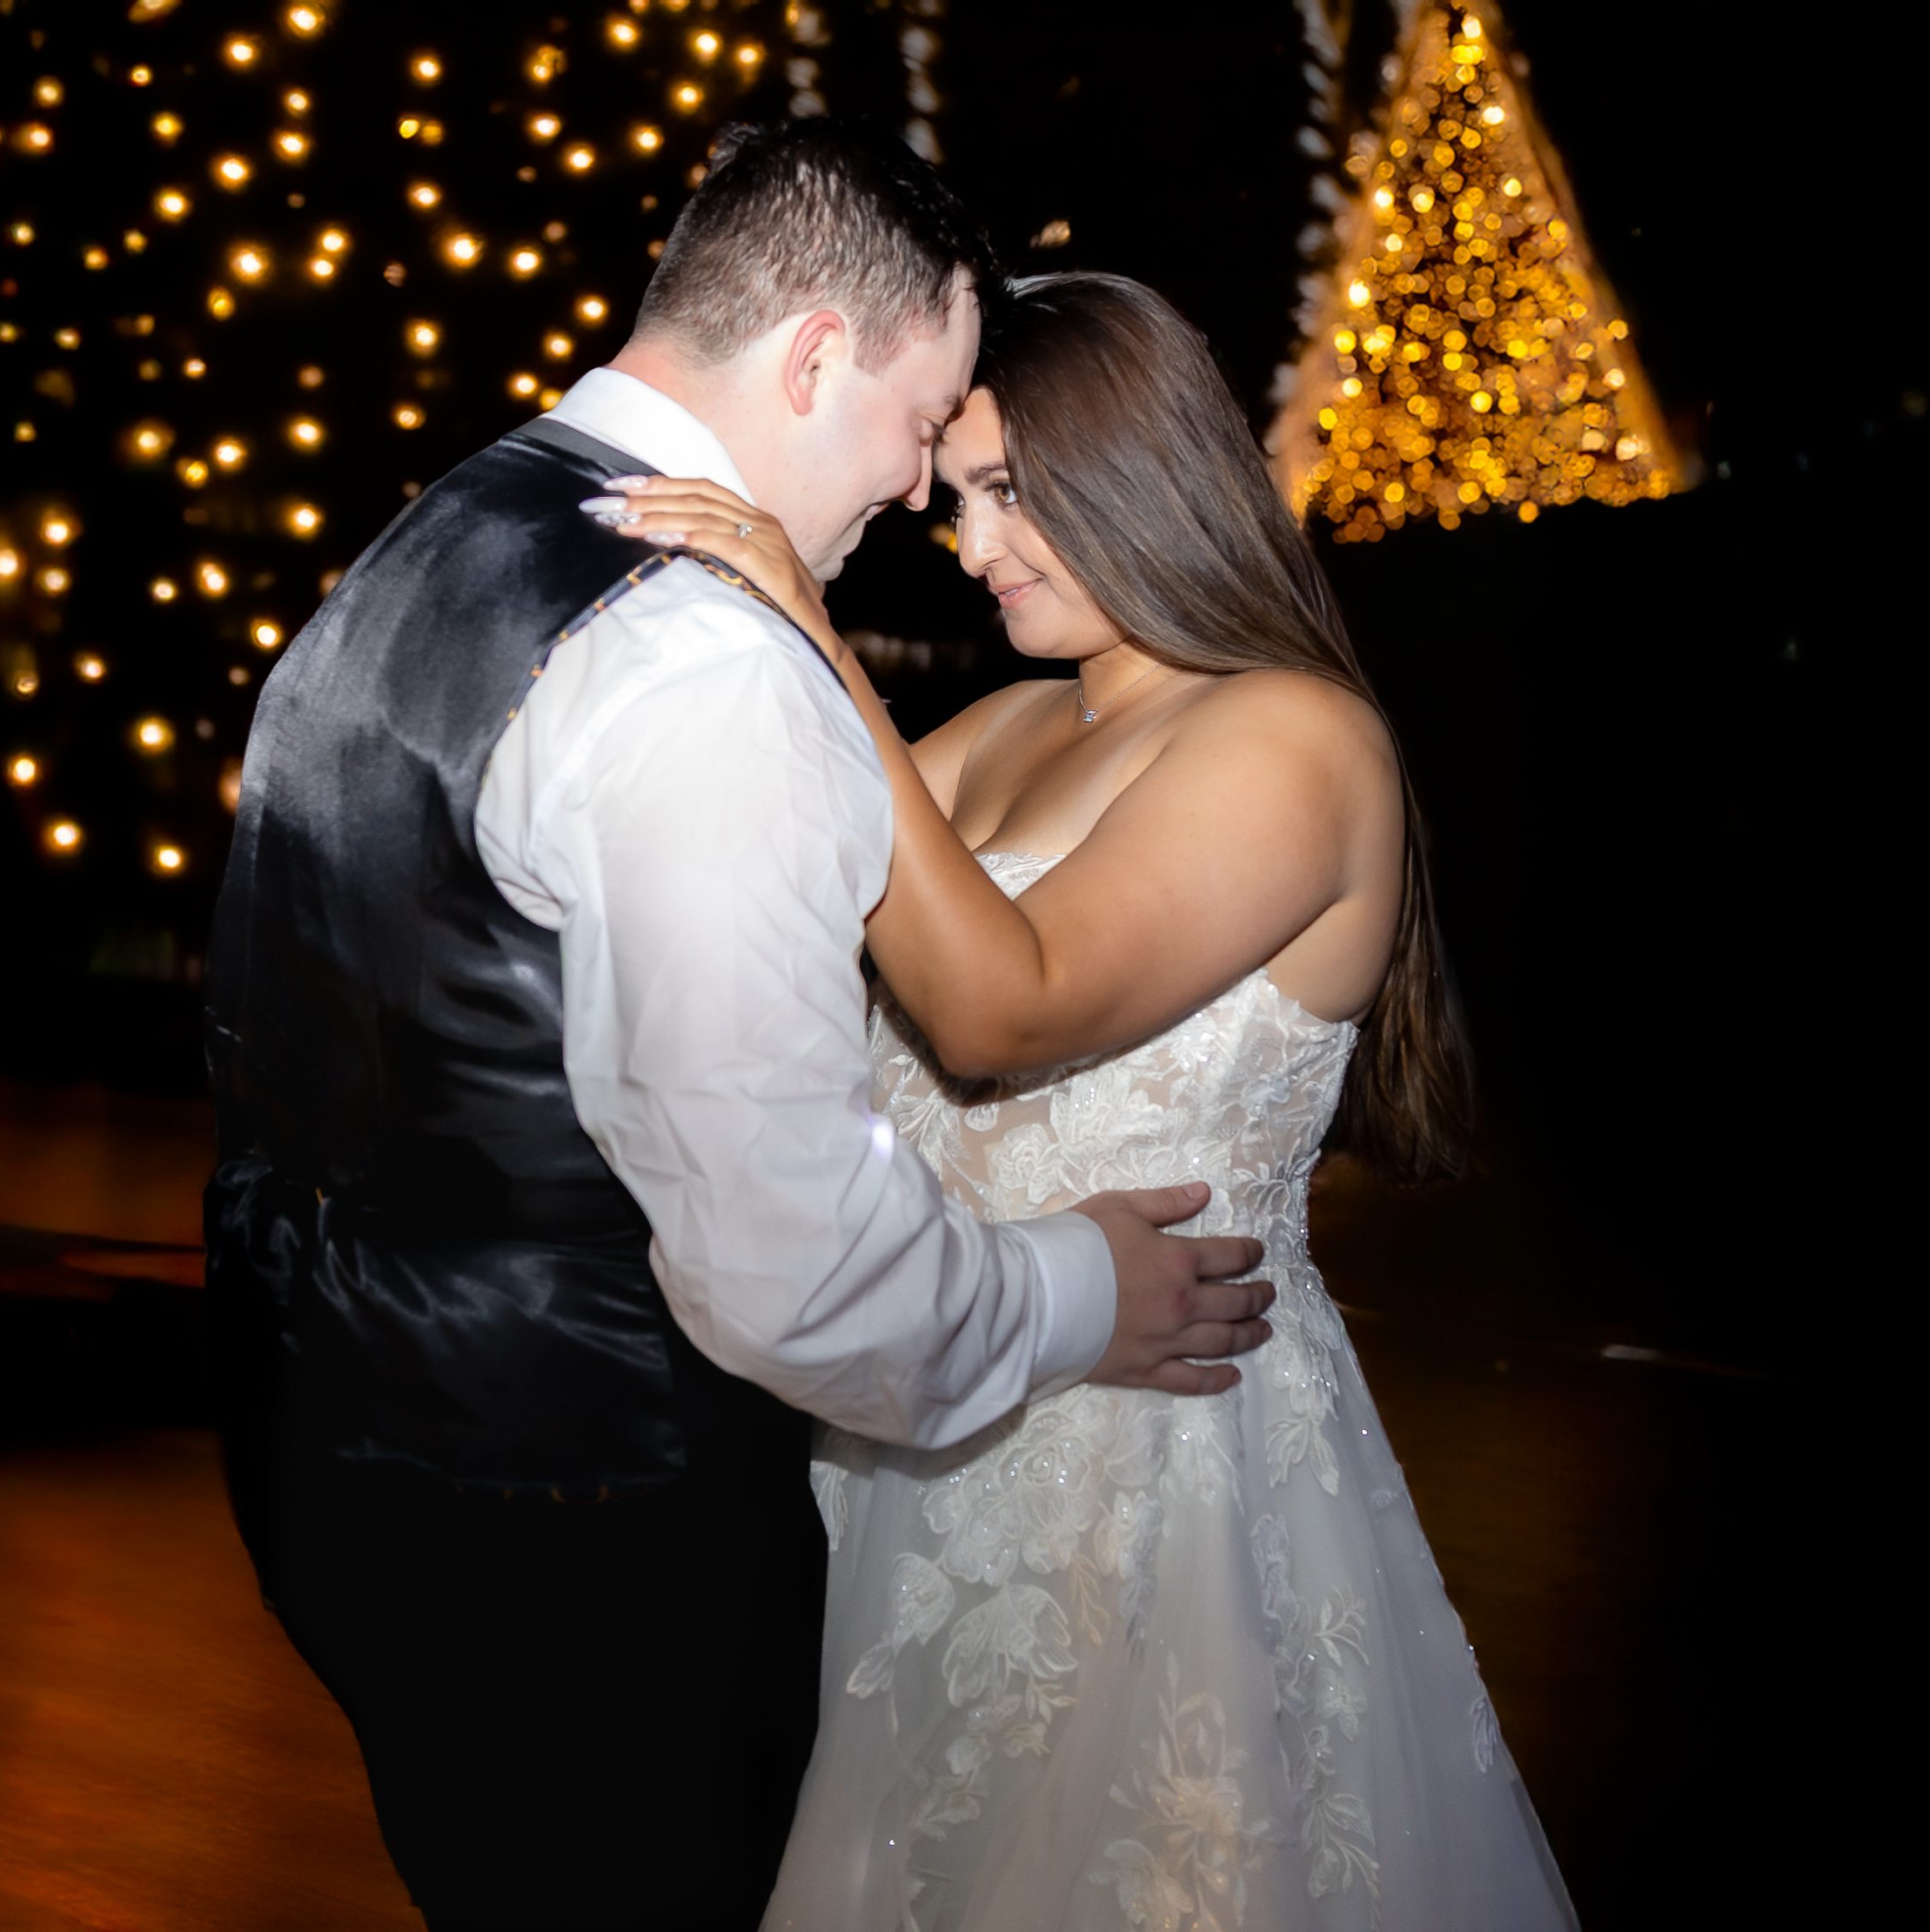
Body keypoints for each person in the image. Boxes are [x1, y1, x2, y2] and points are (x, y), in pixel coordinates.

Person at [202, 131, 1277, 1932]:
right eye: (925, 416)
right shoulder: (701, 663)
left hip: (328, 1441)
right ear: (811, 362)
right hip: (581, 1520)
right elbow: (783, 1267)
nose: (924, 488)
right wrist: (1080, 1289)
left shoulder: (439, 536)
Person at [589, 273, 1578, 1929]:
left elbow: (1000, 1006)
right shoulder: (995, 733)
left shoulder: (1297, 738)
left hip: (1157, 1475)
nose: (973, 548)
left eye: (1013, 492)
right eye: (959, 494)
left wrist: (809, 638)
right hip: (920, 1428)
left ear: (1141, 466)